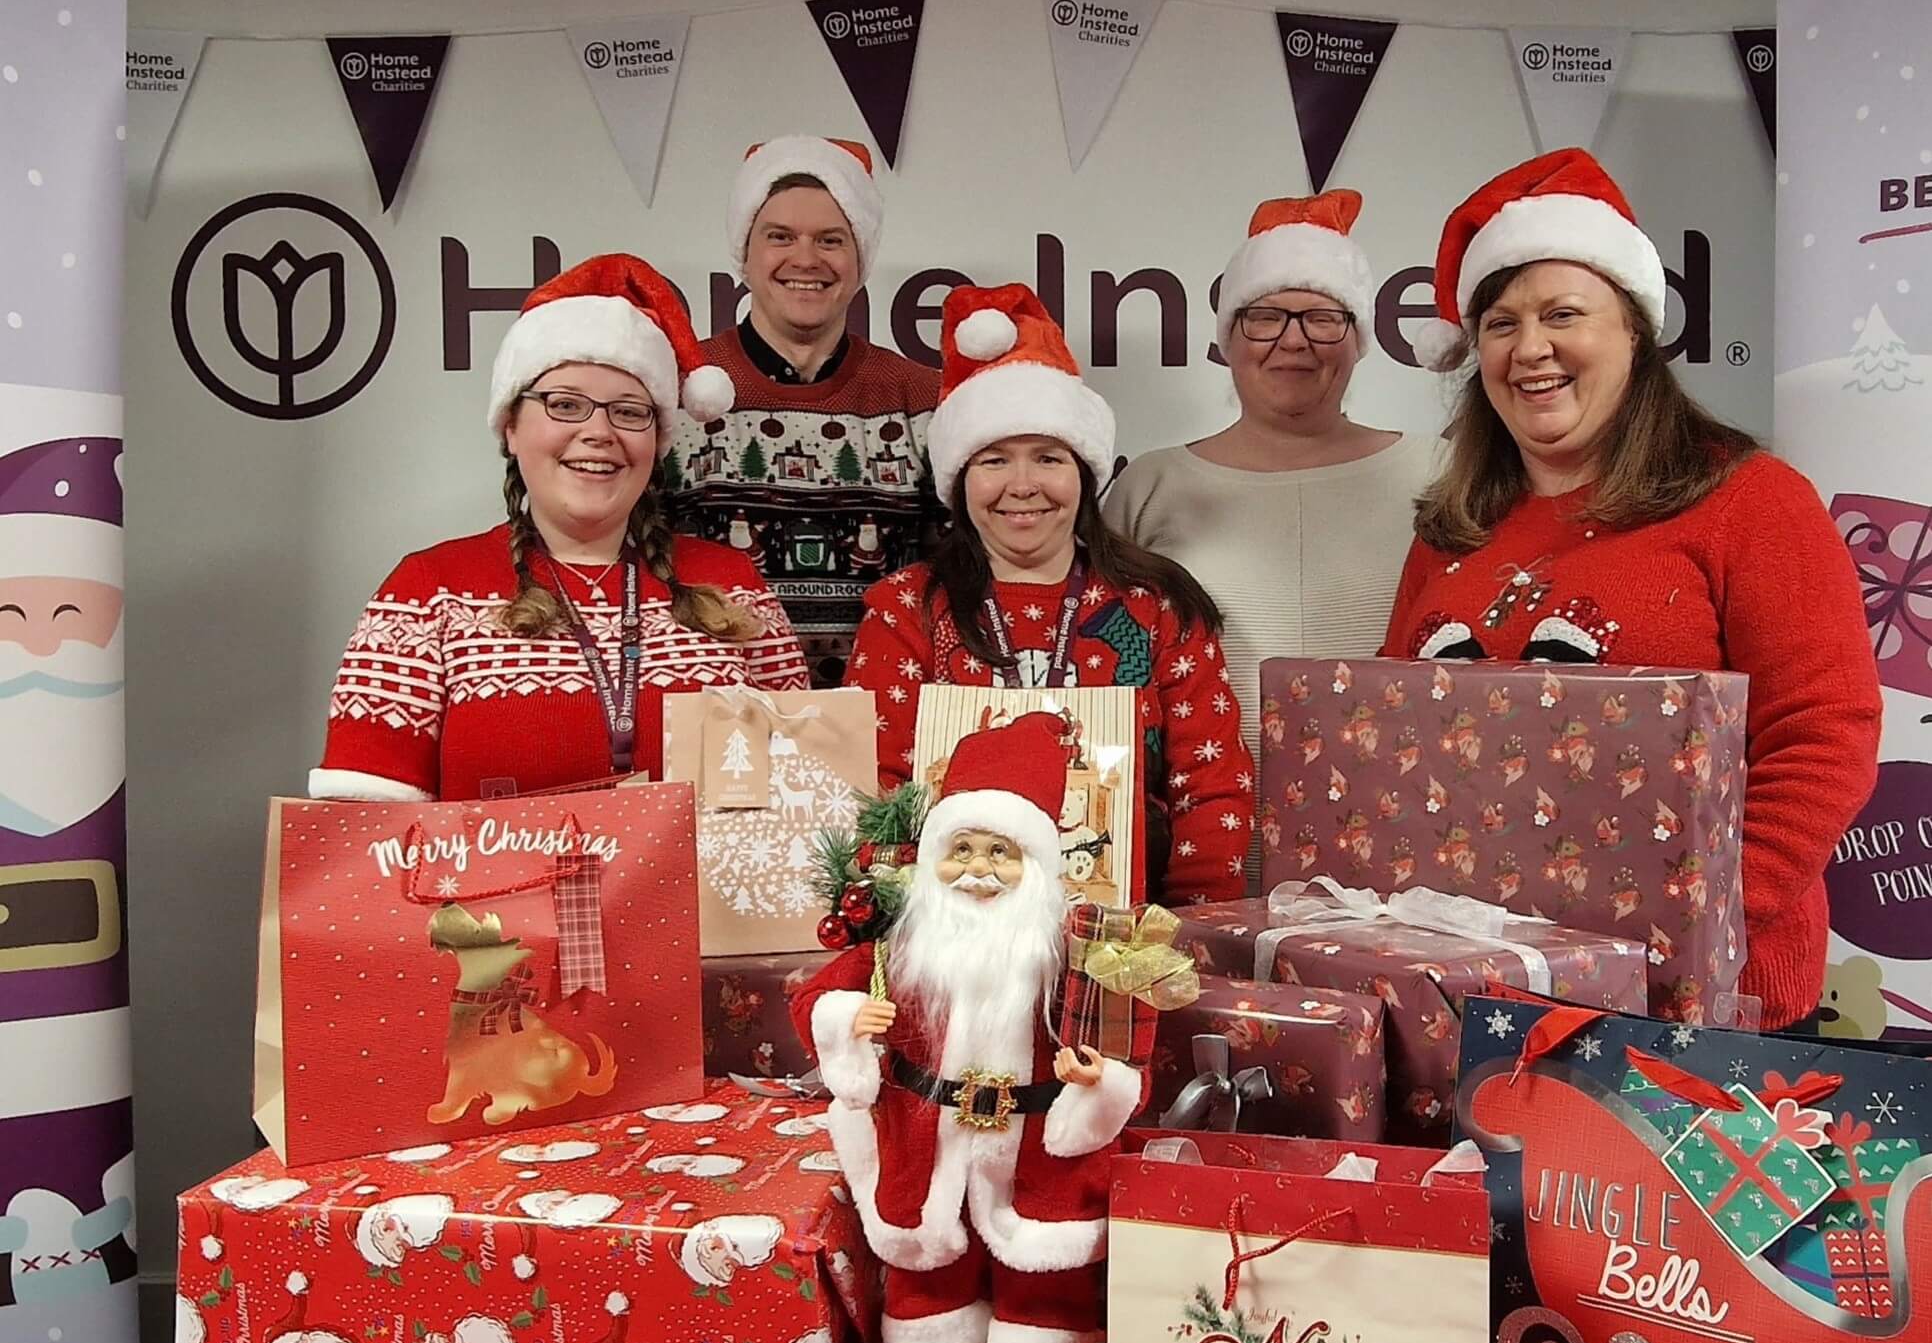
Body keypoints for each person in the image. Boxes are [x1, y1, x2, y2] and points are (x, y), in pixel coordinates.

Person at [1385, 148, 1880, 1031]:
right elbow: (1397, 745)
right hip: (1485, 1003)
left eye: (1562, 314)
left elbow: (1821, 736)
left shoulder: (1748, 500)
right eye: (1499, 324)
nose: (1529, 349)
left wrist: (1695, 927)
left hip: (1706, 1003)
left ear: (1633, 333)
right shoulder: (1449, 528)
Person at [311, 253, 807, 803]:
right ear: (512, 428)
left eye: (628, 411)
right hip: (488, 891)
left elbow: (803, 800)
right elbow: (364, 837)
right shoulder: (428, 591)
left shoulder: (732, 581)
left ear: (656, 441)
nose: (599, 432)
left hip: (704, 892)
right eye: (565, 405)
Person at [791, 711, 1146, 1343]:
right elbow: (815, 994)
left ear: (1036, 866)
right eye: (960, 849)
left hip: (1038, 1131)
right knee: (929, 1244)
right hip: (928, 1129)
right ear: (931, 857)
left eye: (1000, 852)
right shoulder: (902, 945)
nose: (978, 869)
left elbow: (1124, 1033)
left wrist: (1098, 1074)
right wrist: (844, 1015)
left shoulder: (1071, 951)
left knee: (1042, 1257)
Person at [846, 283, 1253, 906]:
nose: (1023, 485)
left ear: (1085, 473)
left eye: (1047, 458)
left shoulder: (1157, 605)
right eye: (993, 461)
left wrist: (1189, 933)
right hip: (952, 941)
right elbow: (880, 791)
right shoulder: (906, 610)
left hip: (1131, 940)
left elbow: (1211, 786)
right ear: (958, 480)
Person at [1104, 191, 1437, 884]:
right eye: (1264, 317)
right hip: (1201, 865)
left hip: (1405, 857)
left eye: (1322, 317)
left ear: (1358, 339)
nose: (1293, 341)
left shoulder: (1440, 473)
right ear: (1227, 339)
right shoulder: (1148, 486)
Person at [666, 136, 942, 686]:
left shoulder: (922, 397)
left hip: (882, 724)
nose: (806, 259)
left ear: (860, 258)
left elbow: (959, 578)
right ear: (744, 253)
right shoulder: (675, 392)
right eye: (780, 237)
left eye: (831, 240)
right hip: (714, 721)